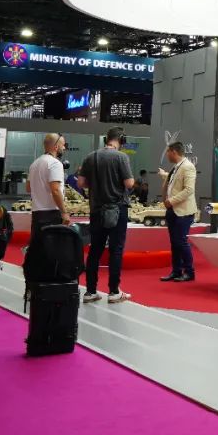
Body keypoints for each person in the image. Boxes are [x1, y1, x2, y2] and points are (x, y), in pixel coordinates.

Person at [79, 127, 136, 304]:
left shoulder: (90, 157)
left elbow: (81, 183)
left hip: (96, 209)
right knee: (116, 249)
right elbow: (129, 183)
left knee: (95, 250)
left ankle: (90, 291)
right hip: (117, 210)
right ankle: (113, 291)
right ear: (121, 140)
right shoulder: (121, 157)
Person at [158, 142, 197, 282]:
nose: (167, 155)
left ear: (174, 152)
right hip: (173, 210)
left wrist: (171, 201)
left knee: (181, 242)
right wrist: (164, 175)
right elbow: (175, 183)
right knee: (175, 243)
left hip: (183, 211)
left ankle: (189, 272)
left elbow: (189, 189)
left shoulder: (188, 166)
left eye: (168, 152)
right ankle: (176, 271)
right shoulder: (177, 167)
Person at [26, 133, 69, 239]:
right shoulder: (55, 164)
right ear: (56, 146)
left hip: (37, 214)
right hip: (51, 214)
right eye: (63, 145)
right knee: (52, 247)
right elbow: (55, 190)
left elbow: (28, 188)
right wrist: (64, 212)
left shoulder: (34, 164)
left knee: (38, 246)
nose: (64, 148)